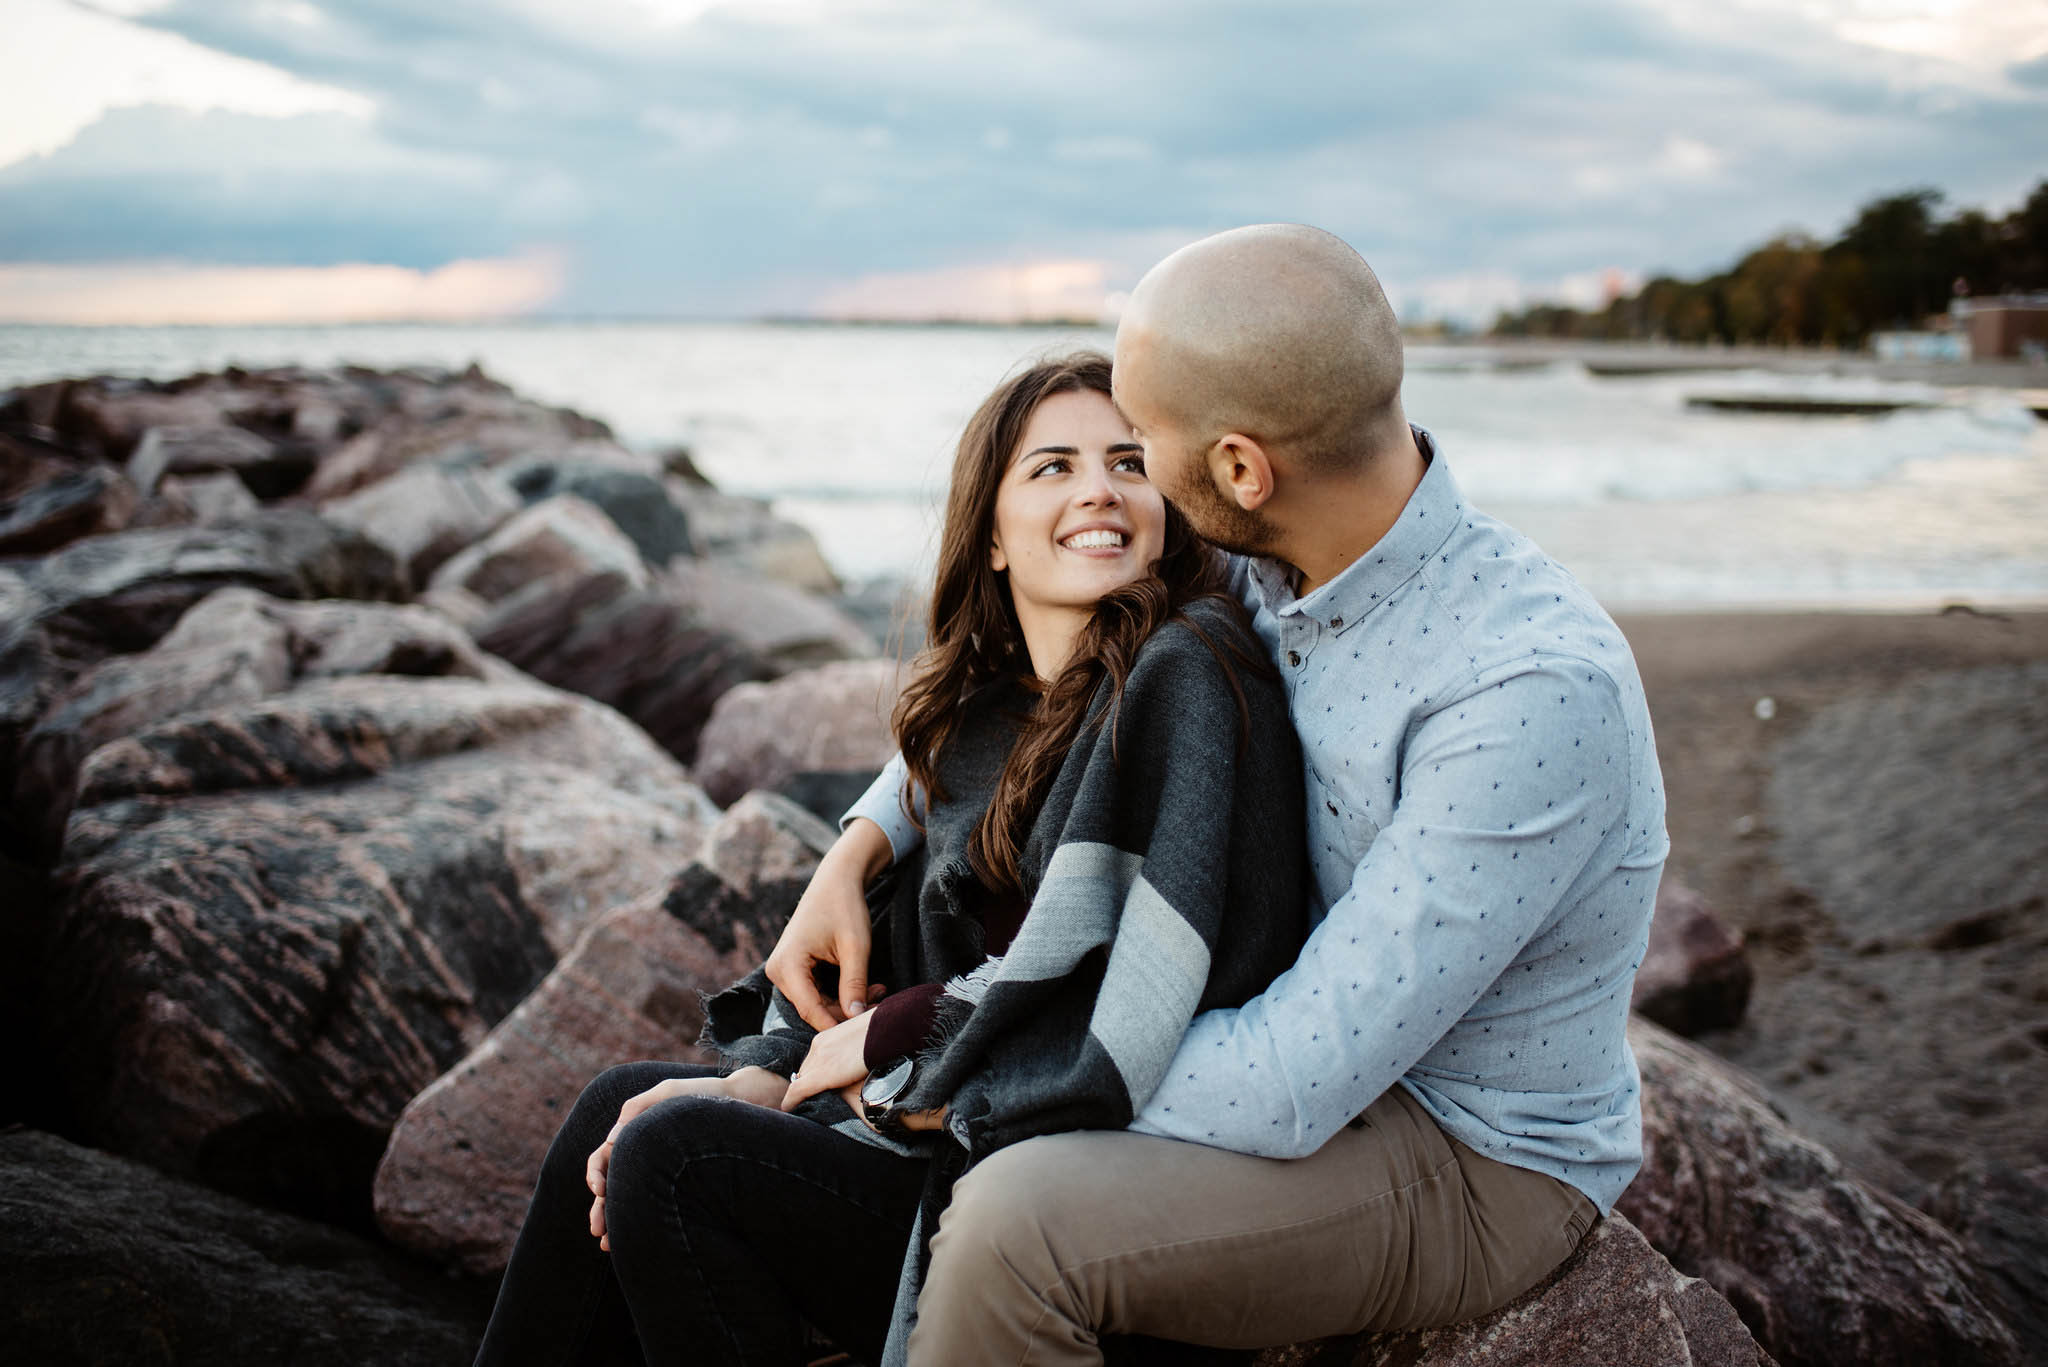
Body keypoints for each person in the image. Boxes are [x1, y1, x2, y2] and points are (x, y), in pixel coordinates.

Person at [780, 225, 1671, 1364]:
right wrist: (859, 840)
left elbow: (1291, 1078)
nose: (1125, 471)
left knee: (1015, 1220)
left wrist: (941, 1073)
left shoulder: (1523, 692)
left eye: (1141, 442)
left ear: (1240, 469)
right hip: (1298, 1045)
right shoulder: (1266, 556)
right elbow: (1041, 694)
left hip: (1466, 1146)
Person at [471, 351, 1308, 1367]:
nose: (1099, 487)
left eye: (1127, 461)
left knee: (676, 1158)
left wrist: (845, 1054)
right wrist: (791, 1043)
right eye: (1052, 467)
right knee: (620, 1104)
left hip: (1075, 1191)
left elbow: (1118, 989)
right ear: (991, 536)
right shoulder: (986, 722)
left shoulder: (1189, 669)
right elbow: (900, 959)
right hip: (967, 1132)